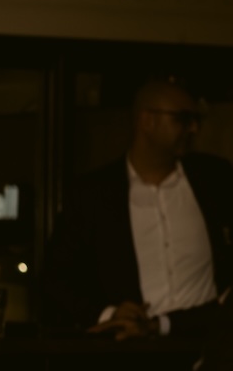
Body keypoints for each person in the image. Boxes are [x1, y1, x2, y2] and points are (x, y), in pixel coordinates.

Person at [44, 76, 233, 343]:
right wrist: (109, 314)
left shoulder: (215, 179)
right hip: (128, 350)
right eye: (182, 118)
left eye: (196, 120)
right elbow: (56, 279)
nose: (193, 128)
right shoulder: (95, 193)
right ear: (147, 120)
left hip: (209, 348)